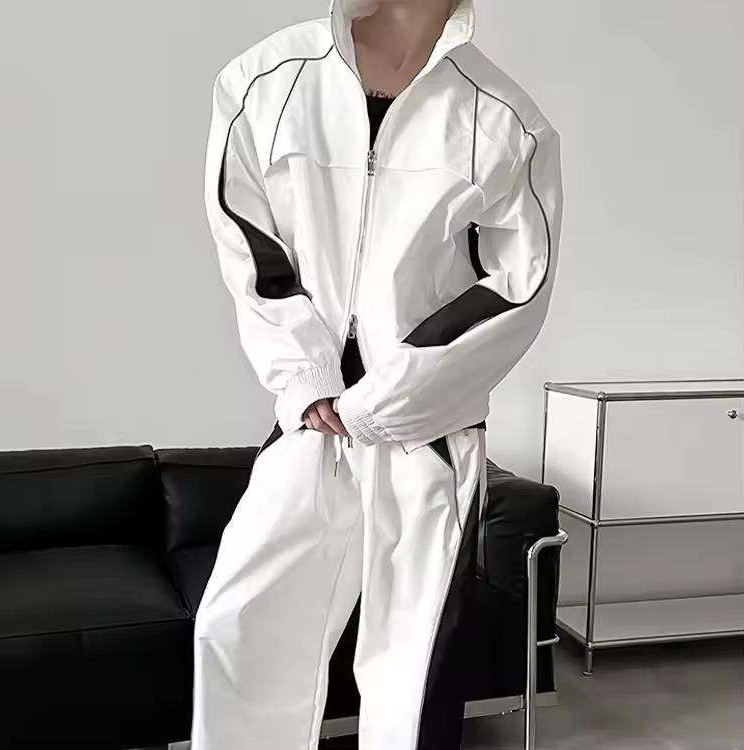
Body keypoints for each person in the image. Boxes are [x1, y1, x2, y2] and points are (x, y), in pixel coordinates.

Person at [193, 0, 563, 747]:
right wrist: (307, 379)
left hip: (427, 426)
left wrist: (392, 398)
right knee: (239, 625)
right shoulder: (265, 80)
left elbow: (518, 285)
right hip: (313, 417)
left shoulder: (504, 119)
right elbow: (247, 241)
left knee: (411, 666)